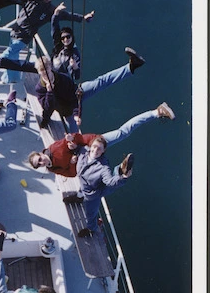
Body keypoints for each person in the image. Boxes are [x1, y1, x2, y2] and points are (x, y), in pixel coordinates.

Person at [0, 0, 94, 83]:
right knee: (14, 56)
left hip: (25, 36)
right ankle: (11, 78)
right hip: (16, 30)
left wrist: (83, 17)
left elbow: (66, 15)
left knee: (10, 53)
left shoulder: (51, 10)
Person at [28, 103, 175, 178]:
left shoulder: (55, 148)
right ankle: (121, 172)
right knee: (101, 177)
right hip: (87, 161)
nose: (42, 162)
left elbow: (79, 138)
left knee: (123, 132)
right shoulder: (53, 168)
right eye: (39, 164)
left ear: (41, 154)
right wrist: (73, 163)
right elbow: (71, 174)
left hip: (91, 148)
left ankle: (157, 112)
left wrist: (88, 143)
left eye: (39, 159)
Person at [35, 48, 146, 132]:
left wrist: (77, 113)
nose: (45, 75)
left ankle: (131, 66)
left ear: (51, 68)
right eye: (42, 73)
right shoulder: (40, 88)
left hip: (76, 96)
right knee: (75, 135)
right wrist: (49, 92)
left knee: (101, 82)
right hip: (67, 111)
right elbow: (47, 108)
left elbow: (73, 98)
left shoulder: (63, 78)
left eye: (47, 71)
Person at [75, 136, 134, 237]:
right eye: (94, 146)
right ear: (90, 146)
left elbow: (109, 182)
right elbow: (76, 148)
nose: (95, 150)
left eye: (99, 149)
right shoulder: (83, 151)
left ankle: (91, 229)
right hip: (85, 185)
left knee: (91, 214)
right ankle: (78, 197)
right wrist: (71, 145)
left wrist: (124, 178)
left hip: (93, 194)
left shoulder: (103, 167)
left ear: (103, 151)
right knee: (82, 190)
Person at [50, 3, 81, 81]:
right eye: (63, 38)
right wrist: (56, 13)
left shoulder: (74, 54)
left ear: (72, 37)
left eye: (68, 37)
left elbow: (76, 77)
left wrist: (75, 67)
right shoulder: (59, 45)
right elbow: (55, 28)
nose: (65, 39)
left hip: (61, 80)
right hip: (51, 73)